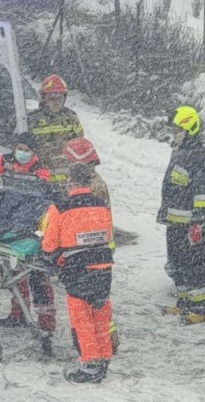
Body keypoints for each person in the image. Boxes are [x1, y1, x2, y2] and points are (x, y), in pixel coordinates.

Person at [0, 132, 56, 353]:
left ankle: (46, 322)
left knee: (38, 276)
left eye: (27, 150)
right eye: (19, 148)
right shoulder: (4, 162)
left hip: (29, 230)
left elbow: (38, 195)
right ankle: (18, 314)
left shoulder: (40, 171)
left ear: (34, 153)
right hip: (7, 228)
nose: (22, 153)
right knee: (14, 271)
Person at [42, 163, 115, 383]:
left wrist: (51, 254)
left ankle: (90, 363)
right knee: (101, 312)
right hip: (103, 266)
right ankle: (104, 357)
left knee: (81, 317)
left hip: (77, 268)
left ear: (70, 182)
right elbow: (108, 236)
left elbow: (49, 244)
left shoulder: (61, 208)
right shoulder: (102, 204)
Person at [158, 106, 205, 324]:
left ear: (190, 129)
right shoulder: (179, 151)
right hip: (174, 221)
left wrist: (198, 221)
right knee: (177, 262)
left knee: (193, 266)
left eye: (179, 129)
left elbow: (203, 192)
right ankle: (184, 303)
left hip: (190, 223)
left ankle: (200, 307)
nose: (175, 133)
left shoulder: (200, 156)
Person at [62, 137, 119, 353]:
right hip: (100, 248)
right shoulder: (93, 180)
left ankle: (102, 344)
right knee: (98, 300)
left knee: (95, 303)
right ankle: (103, 343)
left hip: (94, 249)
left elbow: (86, 220)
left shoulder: (93, 186)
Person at [27, 74, 84, 184]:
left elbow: (81, 146)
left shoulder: (71, 118)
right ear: (44, 98)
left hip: (68, 181)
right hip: (41, 179)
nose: (56, 101)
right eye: (52, 98)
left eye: (60, 98)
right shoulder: (32, 120)